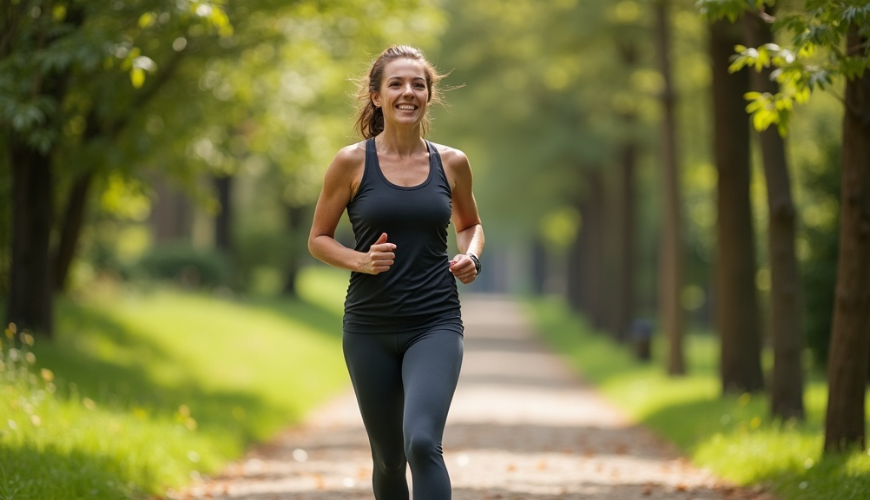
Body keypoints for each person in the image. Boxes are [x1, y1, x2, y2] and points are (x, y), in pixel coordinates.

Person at [307, 44, 484, 500]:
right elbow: (319, 238)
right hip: (369, 326)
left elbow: (470, 225)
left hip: (435, 322)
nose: (409, 92)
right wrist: (360, 260)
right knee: (388, 458)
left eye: (418, 84)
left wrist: (472, 255)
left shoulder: (452, 162)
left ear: (429, 95)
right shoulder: (350, 162)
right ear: (376, 96)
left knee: (423, 443)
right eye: (397, 84)